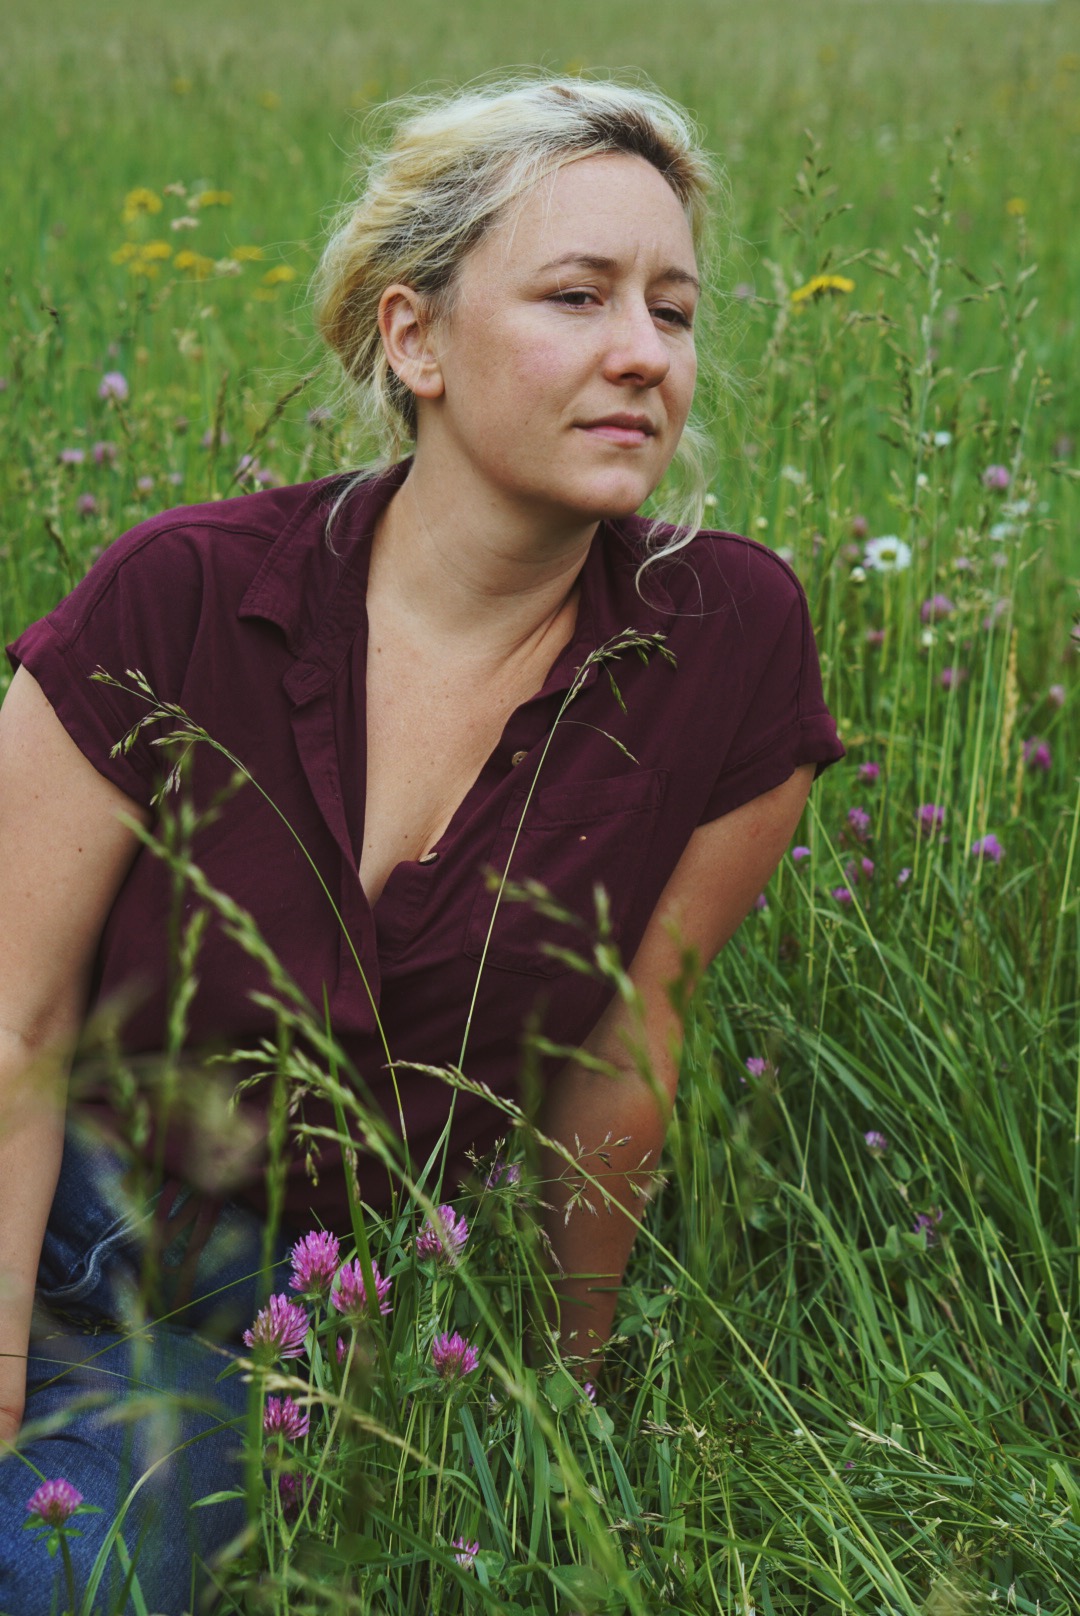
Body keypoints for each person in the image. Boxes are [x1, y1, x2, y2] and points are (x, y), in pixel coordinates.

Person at [0, 75, 843, 1610]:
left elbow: (628, 1038)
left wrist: (561, 1420)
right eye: (577, 297)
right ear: (415, 338)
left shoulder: (728, 642)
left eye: (674, 309)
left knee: (69, 1577)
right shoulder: (180, 597)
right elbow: (16, 1017)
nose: (643, 354)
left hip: (263, 1307)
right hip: (36, 1192)